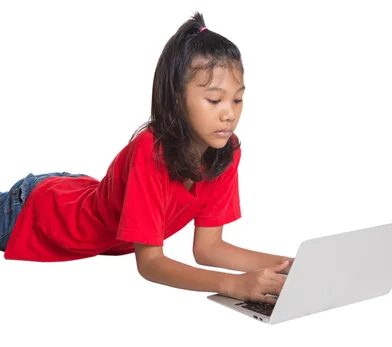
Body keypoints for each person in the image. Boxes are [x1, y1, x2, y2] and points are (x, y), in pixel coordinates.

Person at [0, 12, 293, 305]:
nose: (229, 113)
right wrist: (234, 284)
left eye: (237, 99)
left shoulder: (226, 151)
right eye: (215, 100)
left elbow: (208, 248)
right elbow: (150, 263)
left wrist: (289, 268)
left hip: (77, 192)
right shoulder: (150, 151)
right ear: (177, 99)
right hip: (35, 212)